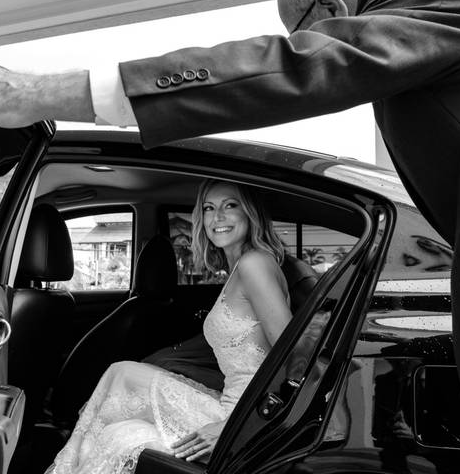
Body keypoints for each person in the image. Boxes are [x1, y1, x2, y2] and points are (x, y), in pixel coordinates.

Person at [0, 0, 460, 471]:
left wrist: (40, 92)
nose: (216, 218)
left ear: (332, 8)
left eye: (309, 33)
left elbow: (291, 70)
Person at [44, 180, 290, 473]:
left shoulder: (254, 264)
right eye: (209, 208)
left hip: (245, 417)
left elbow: (293, 359)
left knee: (119, 400)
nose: (218, 217)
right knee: (119, 406)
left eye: (230, 205)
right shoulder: (241, 268)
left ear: (251, 213)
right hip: (233, 403)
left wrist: (231, 427)